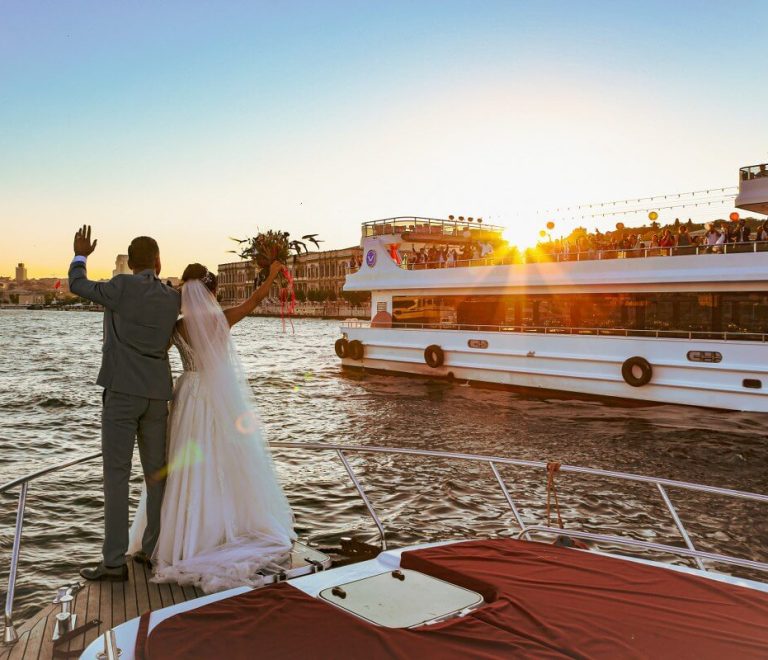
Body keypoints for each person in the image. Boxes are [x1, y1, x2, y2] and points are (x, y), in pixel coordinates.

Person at [128, 261, 295, 593]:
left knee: (180, 461)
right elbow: (256, 298)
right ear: (213, 290)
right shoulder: (223, 318)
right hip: (218, 395)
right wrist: (273, 274)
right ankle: (218, 531)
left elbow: (153, 351)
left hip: (187, 393)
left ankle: (174, 538)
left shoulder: (177, 327)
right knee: (222, 459)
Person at [70, 226, 181, 582]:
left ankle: (114, 563)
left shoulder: (121, 286)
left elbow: (78, 285)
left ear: (130, 263)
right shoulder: (171, 296)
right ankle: (151, 550)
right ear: (158, 262)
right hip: (157, 396)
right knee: (157, 477)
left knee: (116, 477)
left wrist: (81, 255)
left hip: (121, 394)